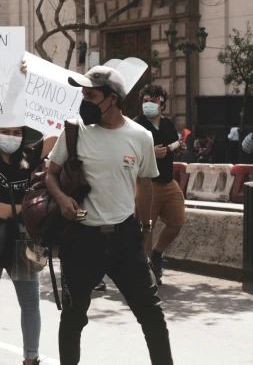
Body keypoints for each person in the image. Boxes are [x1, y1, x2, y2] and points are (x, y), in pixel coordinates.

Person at [46, 66, 172, 364]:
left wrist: (146, 228)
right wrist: (63, 199)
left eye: (91, 94)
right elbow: (50, 175)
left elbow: (144, 185)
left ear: (112, 99)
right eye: (83, 94)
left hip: (125, 239)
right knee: (73, 317)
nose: (84, 100)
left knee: (152, 316)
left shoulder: (140, 136)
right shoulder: (74, 131)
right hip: (81, 239)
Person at [0, 125, 56, 365]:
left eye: (17, 132)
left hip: (25, 236)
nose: (11, 137)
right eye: (5, 131)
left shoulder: (27, 156)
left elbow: (57, 134)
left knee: (31, 303)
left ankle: (31, 359)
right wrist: (24, 209)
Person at [135, 85, 187, 285]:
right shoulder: (136, 125)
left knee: (176, 222)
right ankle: (147, 270)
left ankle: (157, 254)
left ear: (162, 103)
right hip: (147, 183)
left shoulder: (167, 123)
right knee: (145, 228)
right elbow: (128, 154)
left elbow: (173, 145)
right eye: (145, 100)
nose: (148, 104)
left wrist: (179, 148)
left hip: (168, 181)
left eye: (153, 100)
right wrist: (150, 154)